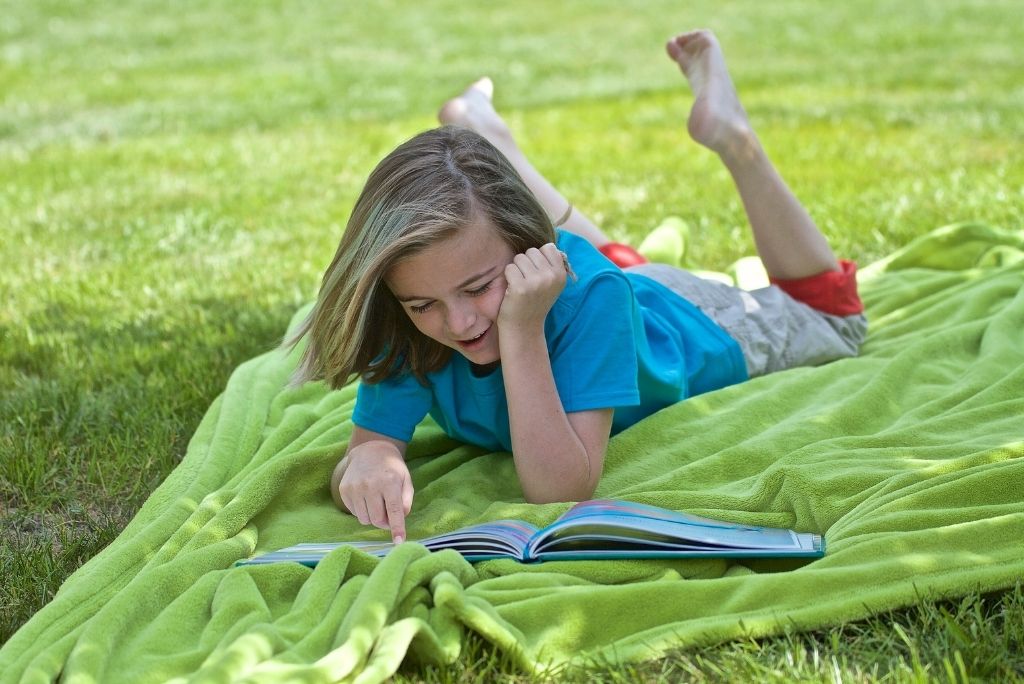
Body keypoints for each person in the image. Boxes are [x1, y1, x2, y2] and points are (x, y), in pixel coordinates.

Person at [289, 30, 867, 543]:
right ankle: (485, 133)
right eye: (425, 304)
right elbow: (365, 450)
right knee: (616, 268)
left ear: (530, 251)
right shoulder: (412, 311)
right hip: (612, 291)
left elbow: (559, 488)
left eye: (479, 287)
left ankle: (731, 133)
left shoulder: (588, 295)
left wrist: (520, 328)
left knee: (834, 316)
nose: (459, 323)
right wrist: (369, 458)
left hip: (693, 324)